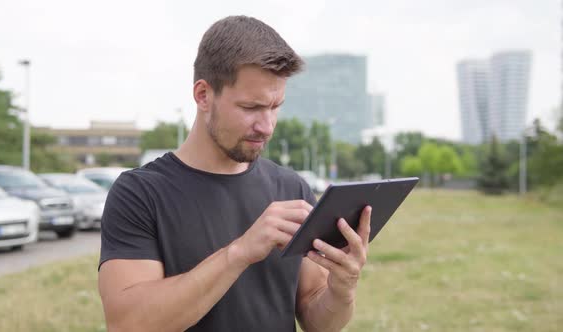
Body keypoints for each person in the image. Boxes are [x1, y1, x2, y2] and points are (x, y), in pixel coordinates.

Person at [98, 15, 372, 332]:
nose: (266, 126)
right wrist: (239, 253)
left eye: (275, 106)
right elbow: (128, 324)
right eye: (251, 107)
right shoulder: (139, 193)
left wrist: (342, 290)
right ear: (203, 95)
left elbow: (317, 318)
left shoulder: (292, 188)